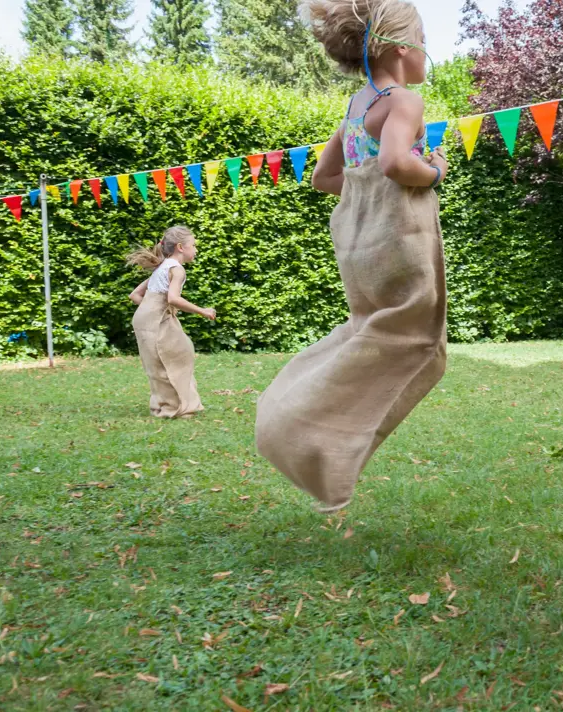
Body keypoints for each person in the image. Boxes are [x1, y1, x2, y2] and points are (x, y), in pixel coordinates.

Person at [255, 0, 448, 513]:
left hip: (357, 248)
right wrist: (433, 171)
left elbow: (324, 180)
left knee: (366, 330)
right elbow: (392, 162)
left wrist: (372, 183)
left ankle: (293, 414)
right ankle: (326, 446)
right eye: (424, 37)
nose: (429, 49)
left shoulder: (355, 108)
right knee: (420, 344)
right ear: (403, 47)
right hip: (398, 244)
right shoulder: (403, 100)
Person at [127, 226, 215, 419]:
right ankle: (176, 408)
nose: (196, 250)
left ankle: (164, 405)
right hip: (156, 320)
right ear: (181, 247)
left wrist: (151, 310)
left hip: (145, 319)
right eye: (194, 245)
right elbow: (173, 299)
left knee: (162, 362)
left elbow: (135, 295)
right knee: (175, 358)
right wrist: (203, 311)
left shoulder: (162, 267)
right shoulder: (176, 269)